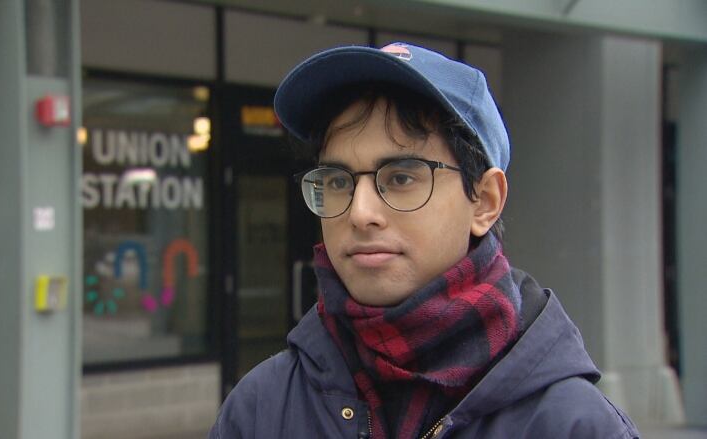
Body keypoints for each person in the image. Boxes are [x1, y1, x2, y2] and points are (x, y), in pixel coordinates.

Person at [209, 42, 639, 438]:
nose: (360, 213)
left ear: (485, 202)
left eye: (399, 178)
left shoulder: (570, 425)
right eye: (338, 180)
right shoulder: (262, 410)